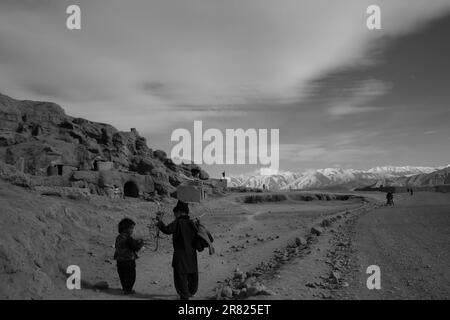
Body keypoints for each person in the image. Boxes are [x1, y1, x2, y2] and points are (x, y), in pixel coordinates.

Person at [156, 200, 198, 300]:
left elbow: (167, 230)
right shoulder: (192, 222)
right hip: (192, 255)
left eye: (175, 213)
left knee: (181, 276)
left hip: (180, 255)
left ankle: (184, 296)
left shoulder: (178, 222)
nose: (174, 215)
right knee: (192, 273)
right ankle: (191, 291)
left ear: (179, 212)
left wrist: (159, 222)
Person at [113, 218, 144, 294]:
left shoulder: (118, 237)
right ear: (126, 228)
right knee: (131, 276)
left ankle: (125, 288)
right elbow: (135, 247)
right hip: (128, 261)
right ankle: (128, 290)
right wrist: (141, 244)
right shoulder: (128, 238)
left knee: (122, 275)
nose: (132, 230)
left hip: (119, 261)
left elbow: (123, 245)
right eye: (131, 228)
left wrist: (135, 242)